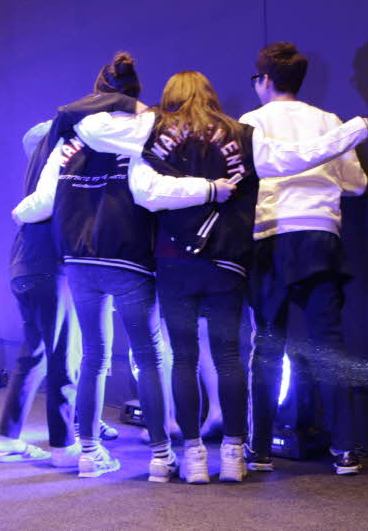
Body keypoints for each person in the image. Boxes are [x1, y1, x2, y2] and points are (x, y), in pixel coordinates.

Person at [74, 69, 368, 483]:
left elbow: (132, 177)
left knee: (188, 358)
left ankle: (201, 456)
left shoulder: (150, 129)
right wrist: (357, 129)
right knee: (233, 356)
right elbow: (301, 156)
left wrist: (132, 107)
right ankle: (238, 454)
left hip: (177, 260)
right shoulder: (242, 132)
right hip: (231, 259)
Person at [13, 52, 225, 481]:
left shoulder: (69, 141)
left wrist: (17, 213)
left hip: (79, 263)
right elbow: (154, 193)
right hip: (129, 260)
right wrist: (211, 189)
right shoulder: (144, 135)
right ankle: (161, 457)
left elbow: (42, 204)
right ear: (134, 95)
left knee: (93, 358)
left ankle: (89, 453)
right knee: (149, 357)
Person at [240, 42, 368, 475]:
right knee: (329, 344)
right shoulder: (331, 122)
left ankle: (259, 450)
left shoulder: (251, 123)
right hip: (319, 235)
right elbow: (357, 183)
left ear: (264, 80)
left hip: (270, 236)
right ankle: (345, 450)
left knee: (266, 345)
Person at [0, 120, 79, 467]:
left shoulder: (33, 177)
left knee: (35, 354)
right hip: (49, 268)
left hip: (23, 266)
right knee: (63, 356)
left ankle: (7, 438)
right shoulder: (59, 176)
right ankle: (64, 447)